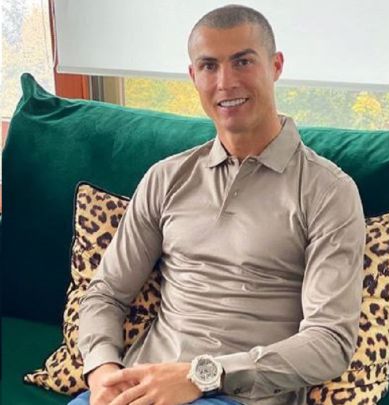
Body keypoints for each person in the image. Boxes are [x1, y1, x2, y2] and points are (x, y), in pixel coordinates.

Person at [71, 5, 366, 405]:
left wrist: (201, 376)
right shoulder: (166, 178)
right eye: (209, 66)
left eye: (243, 61)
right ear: (193, 76)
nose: (225, 82)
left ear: (276, 65)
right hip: (137, 388)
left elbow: (330, 341)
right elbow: (106, 293)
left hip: (237, 397)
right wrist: (102, 371)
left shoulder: (328, 191)